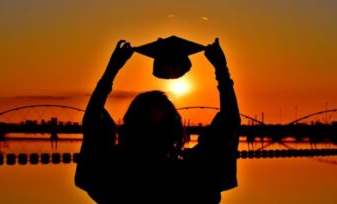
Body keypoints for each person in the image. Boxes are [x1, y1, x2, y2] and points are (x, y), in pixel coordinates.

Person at [75, 38, 240, 204]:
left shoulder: (112, 174)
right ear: (175, 130)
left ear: (129, 127)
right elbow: (228, 124)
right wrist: (221, 71)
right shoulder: (194, 174)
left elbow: (93, 126)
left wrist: (111, 70)